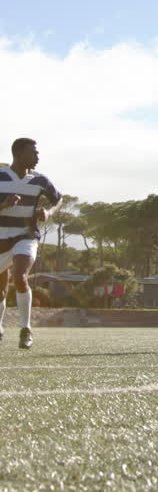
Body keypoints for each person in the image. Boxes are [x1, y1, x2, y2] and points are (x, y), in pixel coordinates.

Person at [0, 138, 62, 350]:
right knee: (0, 288)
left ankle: (25, 329)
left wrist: (48, 212)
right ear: (18, 155)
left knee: (20, 276)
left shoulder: (40, 180)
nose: (38, 157)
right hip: (1, 240)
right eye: (33, 153)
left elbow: (58, 198)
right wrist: (3, 204)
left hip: (26, 236)